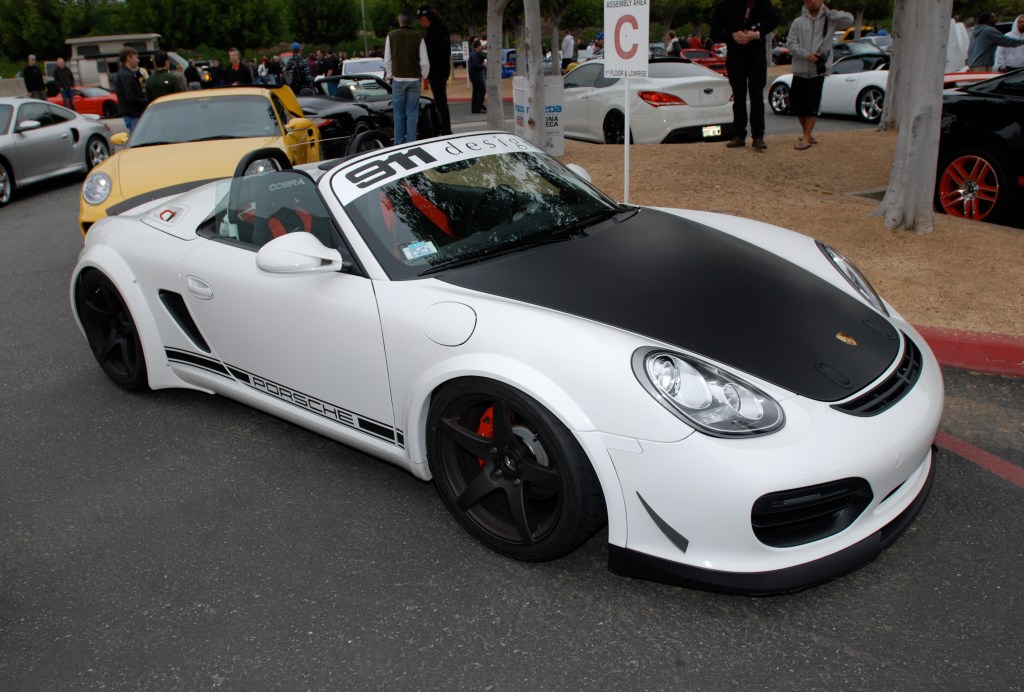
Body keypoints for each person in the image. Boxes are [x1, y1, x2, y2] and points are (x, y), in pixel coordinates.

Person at [710, 0, 779, 150]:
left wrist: (758, 33)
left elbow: (774, 20)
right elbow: (714, 34)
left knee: (757, 95)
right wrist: (732, 36)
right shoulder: (723, 4)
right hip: (735, 55)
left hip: (756, 54)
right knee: (738, 96)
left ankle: (758, 136)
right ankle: (739, 135)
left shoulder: (760, 1)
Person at [787, 0, 853, 149]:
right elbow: (791, 44)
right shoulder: (798, 22)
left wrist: (831, 13)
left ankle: (806, 137)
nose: (813, 2)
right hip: (800, 69)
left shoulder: (831, 21)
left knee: (812, 105)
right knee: (797, 107)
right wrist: (806, 55)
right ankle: (807, 133)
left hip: (818, 70)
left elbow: (849, 20)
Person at [384, 10, 430, 144]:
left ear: (400, 21)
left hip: (398, 79)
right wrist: (424, 75)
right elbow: (424, 62)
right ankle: (411, 141)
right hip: (414, 79)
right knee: (412, 113)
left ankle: (399, 142)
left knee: (398, 113)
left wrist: (390, 74)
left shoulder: (391, 36)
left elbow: (387, 59)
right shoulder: (418, 37)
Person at [418, 5, 453, 135]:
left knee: (440, 101)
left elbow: (439, 52)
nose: (420, 21)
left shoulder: (436, 30)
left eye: (421, 18)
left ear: (427, 17)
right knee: (440, 100)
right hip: (439, 70)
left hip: (437, 70)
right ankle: (444, 127)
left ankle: (445, 129)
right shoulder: (436, 29)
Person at [112, 47, 147, 133]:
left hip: (131, 114)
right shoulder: (126, 75)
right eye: (136, 57)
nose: (138, 60)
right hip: (133, 114)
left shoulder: (125, 73)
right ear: (129, 57)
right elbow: (129, 96)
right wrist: (144, 102)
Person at [468, 38, 487, 114]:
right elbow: (475, 65)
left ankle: (476, 107)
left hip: (475, 74)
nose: (481, 47)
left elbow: (482, 56)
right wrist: (483, 65)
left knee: (476, 91)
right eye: (480, 46)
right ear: (478, 46)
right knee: (481, 90)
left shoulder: (476, 53)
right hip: (476, 75)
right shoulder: (474, 55)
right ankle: (478, 107)